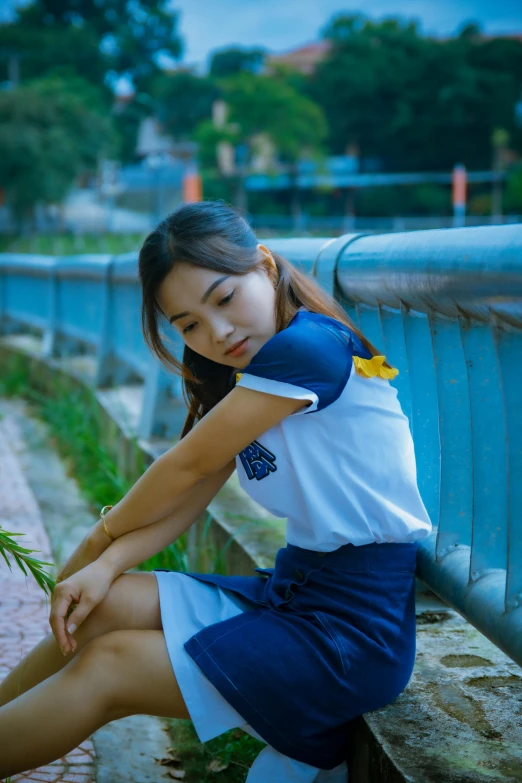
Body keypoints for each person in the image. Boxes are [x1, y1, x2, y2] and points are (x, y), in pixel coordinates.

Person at [0, 200, 432, 782]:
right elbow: (197, 487)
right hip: (296, 594)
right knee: (103, 607)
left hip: (350, 634)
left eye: (224, 299)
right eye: (188, 325)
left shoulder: (308, 350)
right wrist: (108, 567)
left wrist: (102, 536)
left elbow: (184, 465)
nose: (218, 333)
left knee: (110, 665)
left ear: (265, 265)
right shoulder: (253, 374)